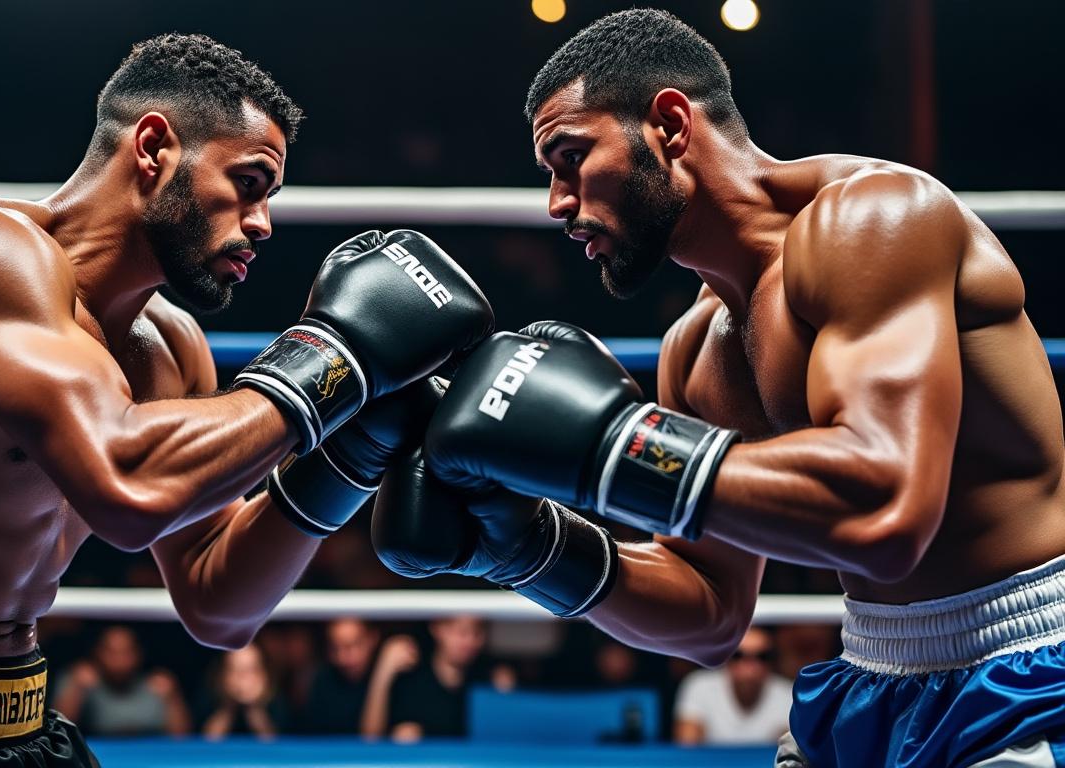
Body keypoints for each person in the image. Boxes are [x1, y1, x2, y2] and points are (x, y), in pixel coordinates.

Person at [0, 32, 493, 768]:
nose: (261, 223)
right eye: (248, 184)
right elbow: (125, 484)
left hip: (25, 725)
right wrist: (334, 357)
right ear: (154, 149)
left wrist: (349, 453)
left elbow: (219, 601)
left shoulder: (173, 347)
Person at [373, 9, 1065, 767]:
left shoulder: (874, 221)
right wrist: (529, 548)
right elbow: (708, 614)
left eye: (571, 157)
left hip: (1031, 668)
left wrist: (608, 447)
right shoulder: (697, 349)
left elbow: (887, 511)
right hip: (871, 676)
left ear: (669, 124)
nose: (557, 204)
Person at [360, 616, 508, 742]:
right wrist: (383, 671)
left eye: (477, 632)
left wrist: (505, 696)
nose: (469, 641)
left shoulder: (490, 677)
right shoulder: (411, 674)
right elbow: (371, 738)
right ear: (437, 628)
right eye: (461, 632)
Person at [52, 625, 191, 737]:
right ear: (97, 652)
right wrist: (76, 690)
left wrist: (172, 699)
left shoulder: (159, 685)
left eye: (126, 652)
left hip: (152, 757)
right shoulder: (82, 681)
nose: (119, 661)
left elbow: (181, 737)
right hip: (98, 757)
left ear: (139, 654)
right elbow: (59, 734)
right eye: (111, 652)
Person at [673, 627, 792, 746]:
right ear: (726, 657)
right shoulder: (699, 686)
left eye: (762, 657)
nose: (749, 666)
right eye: (738, 655)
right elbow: (687, 749)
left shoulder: (788, 694)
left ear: (772, 662)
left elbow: (789, 753)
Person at [300, 618, 380, 734]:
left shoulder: (395, 674)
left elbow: (371, 738)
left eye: (350, 646)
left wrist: (382, 677)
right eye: (335, 648)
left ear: (372, 639)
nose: (341, 658)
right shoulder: (324, 680)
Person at [200, 644, 287, 740]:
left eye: (250, 670)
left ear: (265, 675)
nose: (242, 677)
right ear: (222, 675)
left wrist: (253, 707)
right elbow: (209, 740)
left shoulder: (276, 699)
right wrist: (229, 706)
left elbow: (273, 742)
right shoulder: (211, 695)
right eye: (234, 669)